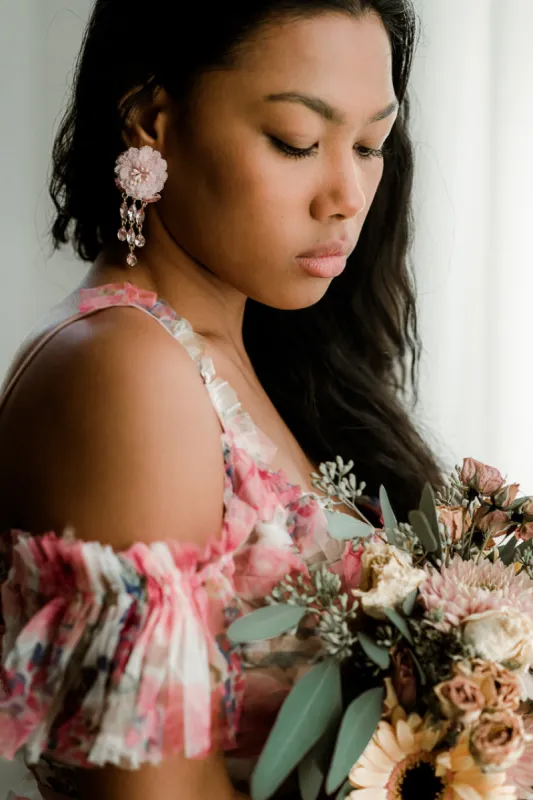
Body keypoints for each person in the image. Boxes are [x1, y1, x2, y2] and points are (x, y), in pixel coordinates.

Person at [0, 0, 441, 798]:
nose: (346, 194)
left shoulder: (251, 356)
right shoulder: (125, 370)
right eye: (296, 142)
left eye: (371, 144)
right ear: (151, 122)